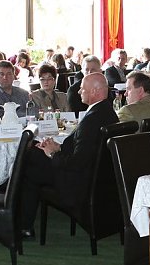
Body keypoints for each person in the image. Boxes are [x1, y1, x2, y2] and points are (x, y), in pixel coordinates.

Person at [17, 73, 117, 238]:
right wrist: (58, 147)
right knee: (34, 152)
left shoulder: (92, 120)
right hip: (98, 179)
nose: (78, 93)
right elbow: (85, 149)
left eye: (82, 89)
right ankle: (23, 223)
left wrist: (52, 155)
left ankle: (23, 225)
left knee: (28, 165)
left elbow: (78, 163)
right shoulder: (107, 112)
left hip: (79, 181)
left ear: (95, 91)